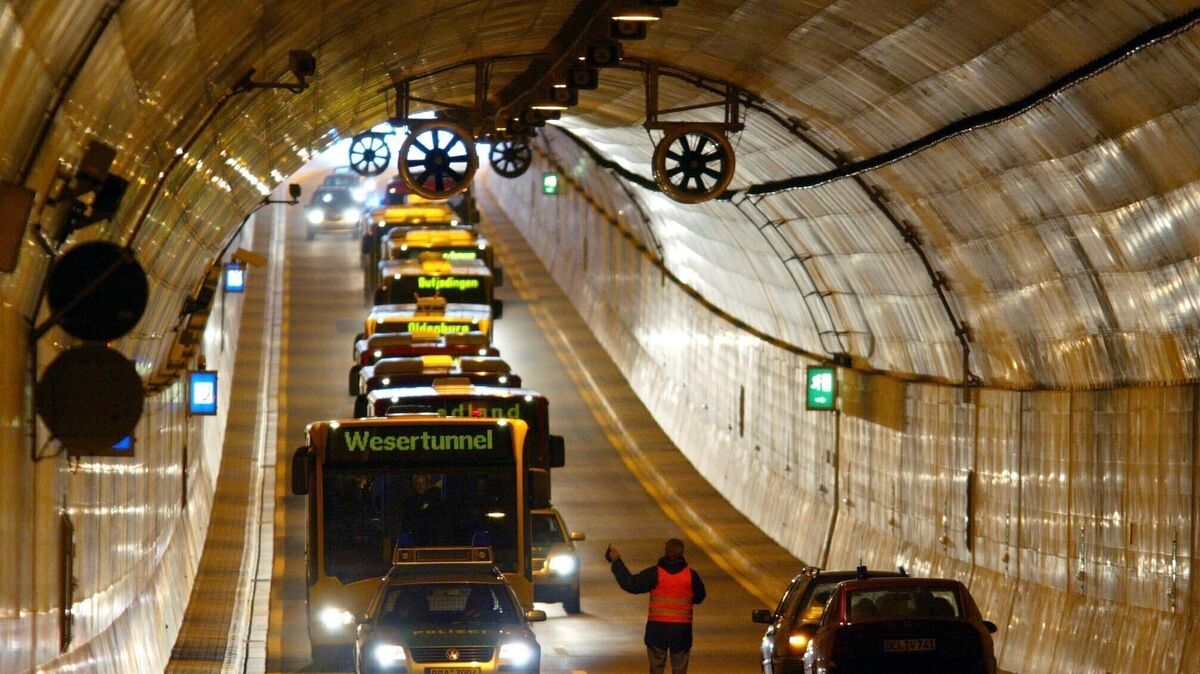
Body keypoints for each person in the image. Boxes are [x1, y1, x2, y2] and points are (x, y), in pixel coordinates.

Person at [606, 538, 706, 674]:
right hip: (682, 632)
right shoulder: (691, 575)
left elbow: (630, 584)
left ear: (665, 552)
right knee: (680, 669)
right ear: (682, 553)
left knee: (656, 669)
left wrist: (616, 561)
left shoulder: (655, 573)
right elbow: (700, 597)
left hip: (657, 631)